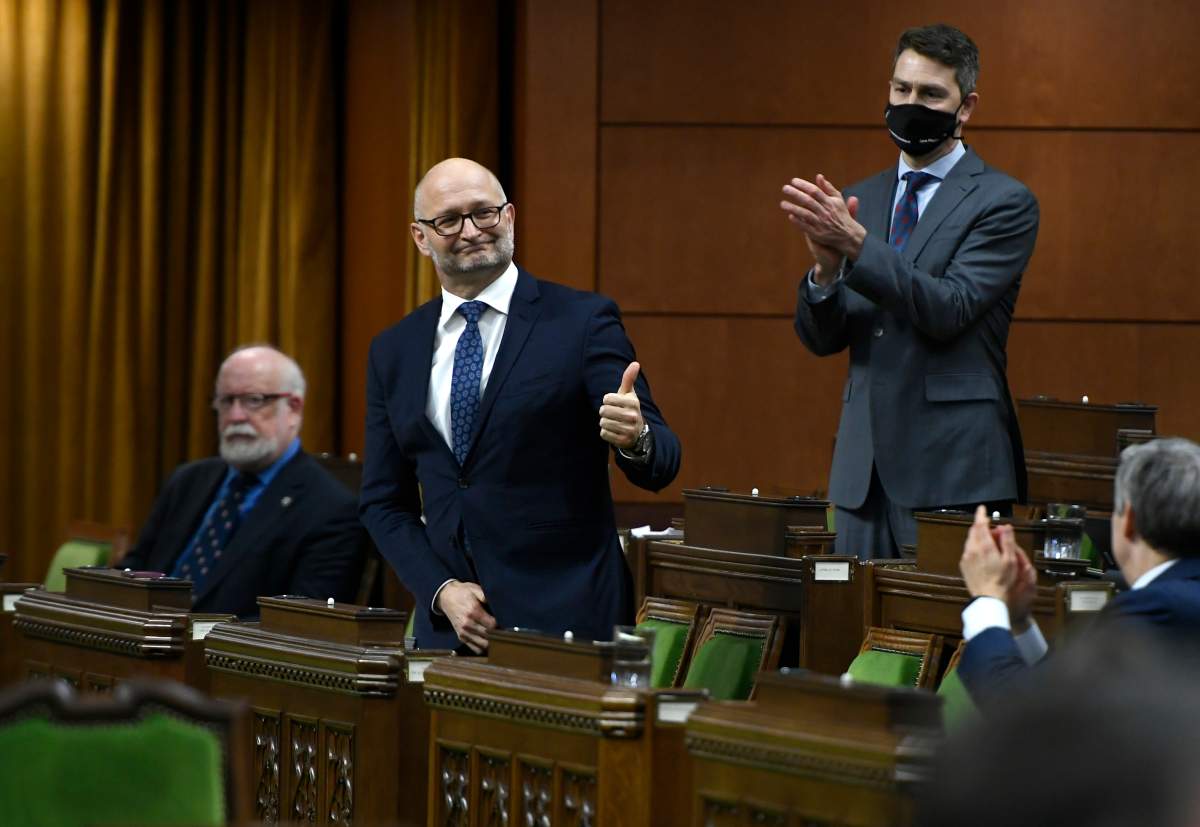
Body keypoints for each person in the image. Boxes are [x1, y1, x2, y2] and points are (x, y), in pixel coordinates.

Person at [359, 157, 680, 653]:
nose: (471, 231)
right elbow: (384, 502)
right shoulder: (393, 351)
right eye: (448, 220)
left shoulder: (582, 322)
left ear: (509, 217)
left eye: (484, 213)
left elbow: (662, 462)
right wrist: (442, 592)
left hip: (568, 622)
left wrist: (635, 437)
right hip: (452, 632)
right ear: (421, 238)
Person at [782, 24, 1039, 558]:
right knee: (854, 633)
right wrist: (825, 274)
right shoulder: (860, 200)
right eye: (901, 90)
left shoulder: (1004, 202)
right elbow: (823, 340)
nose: (909, 104)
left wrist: (856, 246)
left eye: (929, 94)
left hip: (954, 470)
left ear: (965, 107)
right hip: (863, 473)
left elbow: (949, 308)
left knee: (952, 637)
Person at [121, 345, 365, 618]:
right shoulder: (187, 481)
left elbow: (302, 624)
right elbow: (133, 570)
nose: (236, 416)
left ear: (294, 409)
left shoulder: (331, 511)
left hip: (223, 656)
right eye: (226, 401)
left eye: (254, 400)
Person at [956, 438, 1200, 700]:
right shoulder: (1180, 598)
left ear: (1129, 520)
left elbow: (1020, 708)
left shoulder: (1156, 609)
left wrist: (987, 597)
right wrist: (1018, 621)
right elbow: (1070, 696)